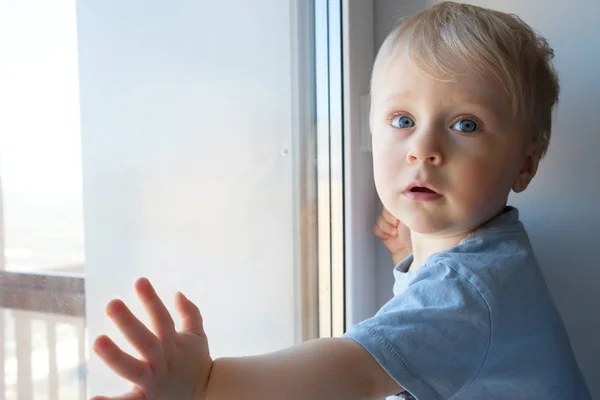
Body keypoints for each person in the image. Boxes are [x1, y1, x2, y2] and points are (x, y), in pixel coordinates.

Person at [89, 2, 591, 399]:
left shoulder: (470, 290)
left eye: (466, 125)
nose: (424, 149)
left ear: (525, 164)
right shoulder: (484, 260)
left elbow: (352, 371)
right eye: (403, 121)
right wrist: (409, 259)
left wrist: (209, 386)